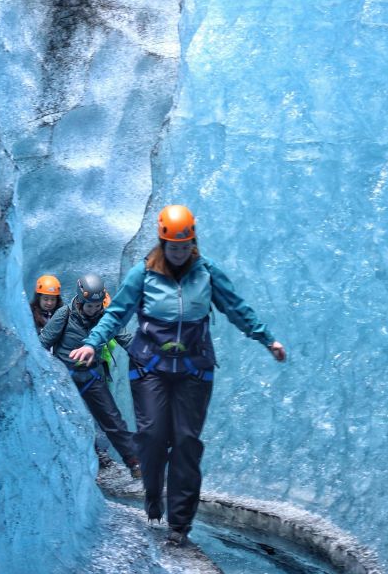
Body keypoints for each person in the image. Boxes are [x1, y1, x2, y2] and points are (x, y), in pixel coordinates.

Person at [70, 205, 286, 546]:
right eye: (174, 247)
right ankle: (153, 494)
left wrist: (266, 339)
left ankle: (179, 525)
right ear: (162, 242)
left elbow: (237, 309)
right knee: (154, 437)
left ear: (193, 242)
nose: (180, 252)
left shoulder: (207, 274)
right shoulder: (142, 275)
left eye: (185, 246)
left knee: (186, 443)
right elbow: (116, 314)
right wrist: (93, 343)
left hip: (194, 369)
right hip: (149, 368)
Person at [40, 272, 142, 479]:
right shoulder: (64, 315)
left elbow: (126, 340)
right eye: (89, 306)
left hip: (90, 378)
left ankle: (134, 463)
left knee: (113, 420)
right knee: (63, 422)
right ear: (80, 300)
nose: (93, 310)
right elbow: (42, 343)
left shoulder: (105, 318)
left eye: (97, 306)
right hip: (65, 379)